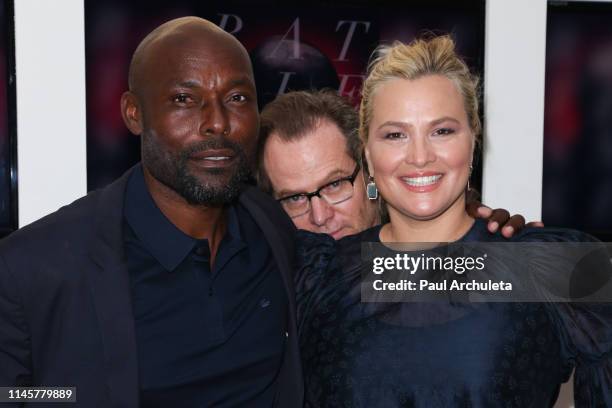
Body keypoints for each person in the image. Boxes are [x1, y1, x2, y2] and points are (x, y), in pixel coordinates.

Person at [0, 17, 302, 407]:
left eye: (237, 98)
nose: (217, 123)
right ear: (133, 113)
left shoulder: (271, 226)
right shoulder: (33, 269)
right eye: (184, 99)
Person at [296, 35, 612, 407]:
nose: (419, 156)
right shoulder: (316, 277)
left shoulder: (554, 267)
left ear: (473, 140)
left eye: (442, 131)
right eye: (395, 135)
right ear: (366, 153)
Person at [257, 89, 535, 240]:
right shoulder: (284, 291)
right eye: (294, 198)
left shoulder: (468, 249)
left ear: (370, 172)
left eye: (334, 184)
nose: (320, 216)